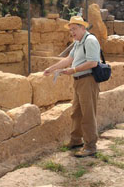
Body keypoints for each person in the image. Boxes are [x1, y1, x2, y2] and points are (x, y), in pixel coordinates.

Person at [43, 16, 100, 157]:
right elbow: (69, 59)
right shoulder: (77, 42)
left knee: (88, 114)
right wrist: (51, 68)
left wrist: (73, 70)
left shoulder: (90, 40)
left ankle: (90, 146)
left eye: (74, 29)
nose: (72, 32)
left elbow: (93, 63)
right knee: (76, 112)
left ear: (83, 27)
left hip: (88, 81)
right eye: (70, 30)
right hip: (78, 81)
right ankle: (76, 140)